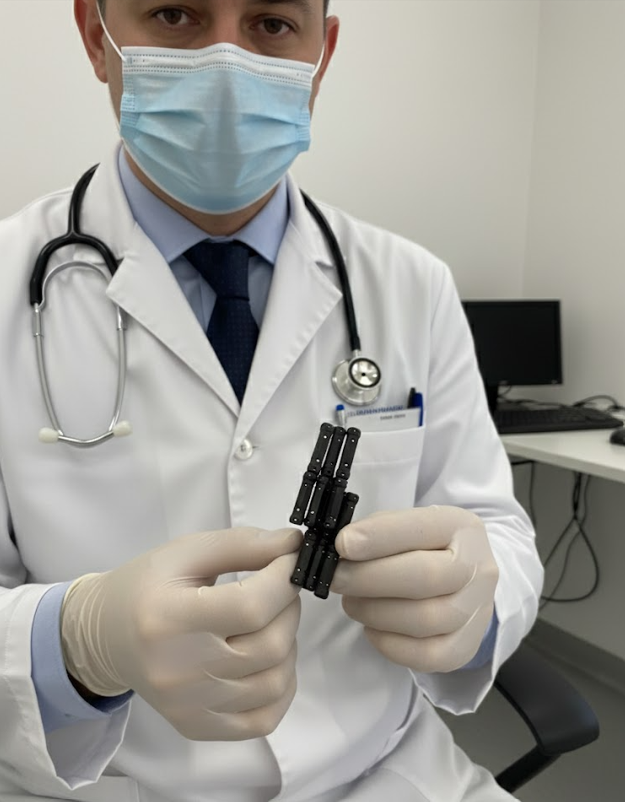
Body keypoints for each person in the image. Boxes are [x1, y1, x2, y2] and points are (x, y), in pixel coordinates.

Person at [0, 1, 543, 801]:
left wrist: (478, 594)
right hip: (102, 784)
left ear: (321, 55)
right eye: (176, 14)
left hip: (385, 774)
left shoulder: (408, 281)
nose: (227, 61)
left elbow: (493, 522)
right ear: (95, 36)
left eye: (270, 23)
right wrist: (77, 642)